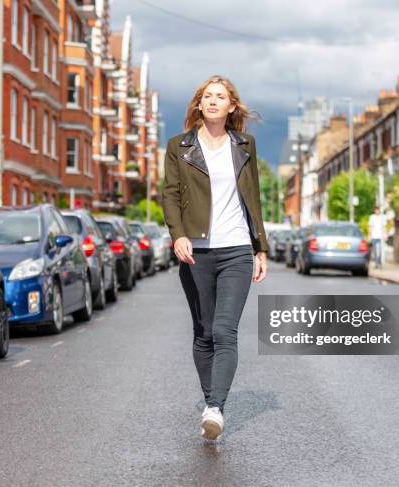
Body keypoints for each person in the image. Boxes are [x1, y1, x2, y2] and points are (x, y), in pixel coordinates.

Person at [161, 75, 269, 440]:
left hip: (237, 248)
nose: (212, 101)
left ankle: (216, 407)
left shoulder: (244, 145)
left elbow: (253, 198)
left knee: (225, 330)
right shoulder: (180, 146)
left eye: (220, 97)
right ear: (198, 104)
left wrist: (260, 248)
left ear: (231, 106)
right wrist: (178, 236)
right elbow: (170, 195)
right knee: (204, 333)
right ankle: (212, 400)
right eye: (207, 96)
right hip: (197, 251)